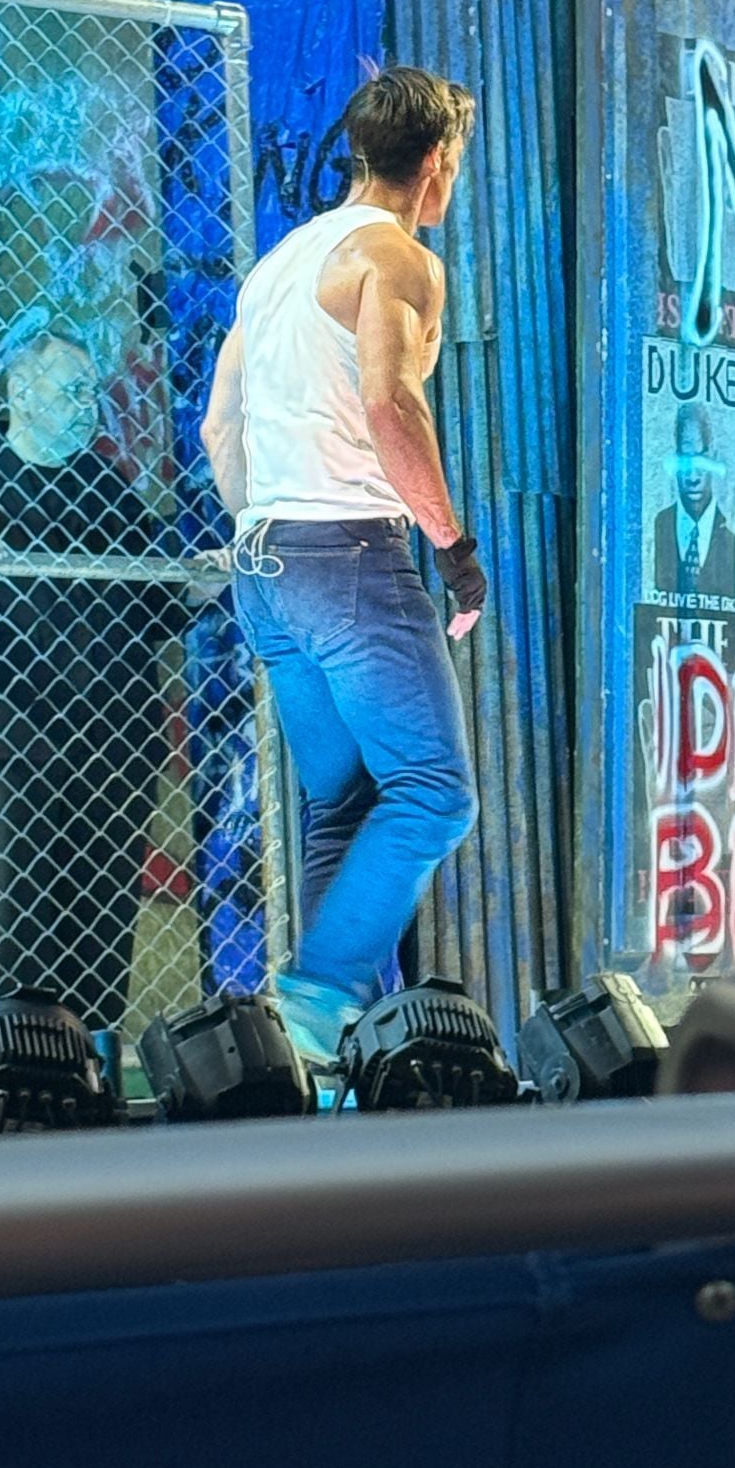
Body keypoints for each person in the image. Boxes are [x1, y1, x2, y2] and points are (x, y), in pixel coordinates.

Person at [201, 66, 484, 1062]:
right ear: (437, 161)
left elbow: (219, 427)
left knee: (344, 801)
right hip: (349, 556)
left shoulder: (278, 264)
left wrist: (269, 534)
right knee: (436, 791)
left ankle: (321, 1045)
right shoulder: (395, 257)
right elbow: (389, 403)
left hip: (265, 566)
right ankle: (321, 993)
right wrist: (452, 548)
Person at [0, 330, 190, 1028]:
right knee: (14, 937)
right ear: (19, 390)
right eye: (70, 390)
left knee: (100, 939)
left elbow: (151, 607)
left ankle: (90, 1062)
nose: (87, 407)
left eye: (91, 393)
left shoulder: (101, 484)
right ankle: (18, 1060)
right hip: (3, 746)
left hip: (108, 746)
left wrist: (194, 587)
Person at [652, 403, 735, 600]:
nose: (693, 477)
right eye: (685, 460)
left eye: (701, 459)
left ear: (713, 458)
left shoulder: (732, 536)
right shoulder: (661, 525)